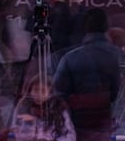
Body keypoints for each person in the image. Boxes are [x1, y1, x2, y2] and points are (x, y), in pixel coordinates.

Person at [51, 8, 121, 141]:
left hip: (77, 125)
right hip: (103, 124)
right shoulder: (115, 55)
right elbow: (114, 93)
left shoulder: (69, 58)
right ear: (106, 27)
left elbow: (58, 95)